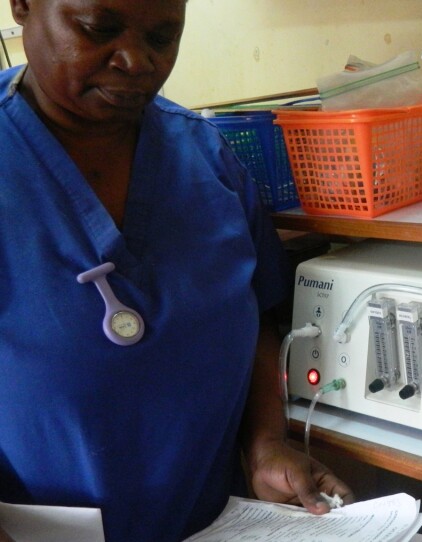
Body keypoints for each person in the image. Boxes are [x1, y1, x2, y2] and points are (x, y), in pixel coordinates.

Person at [0, 1, 352, 541]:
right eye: (100, 28)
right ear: (23, 5)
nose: (137, 60)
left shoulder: (207, 156)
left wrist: (264, 444)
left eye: (164, 37)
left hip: (213, 523)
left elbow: (258, 313)